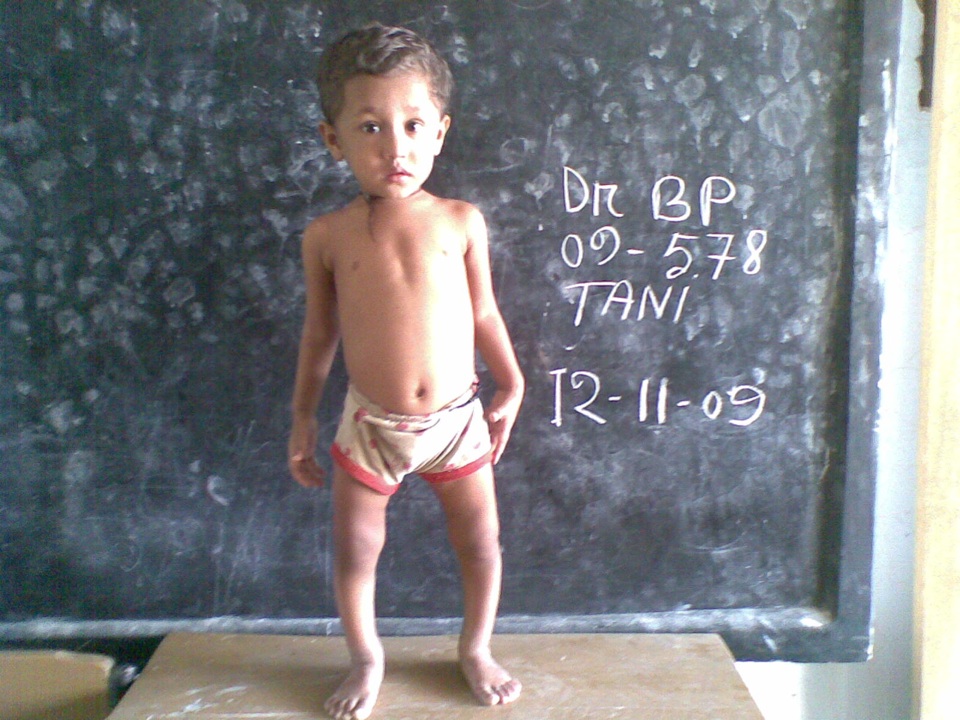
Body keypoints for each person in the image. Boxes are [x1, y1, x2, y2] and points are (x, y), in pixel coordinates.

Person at [287, 23, 525, 720]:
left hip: (457, 422)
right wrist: (301, 418)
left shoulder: (461, 221)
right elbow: (320, 334)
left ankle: (475, 648)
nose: (396, 148)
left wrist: (512, 382)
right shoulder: (326, 237)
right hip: (371, 425)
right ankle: (367, 657)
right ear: (334, 140)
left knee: (480, 542)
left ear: (440, 132)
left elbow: (484, 313)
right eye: (370, 127)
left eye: (414, 125)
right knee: (355, 548)